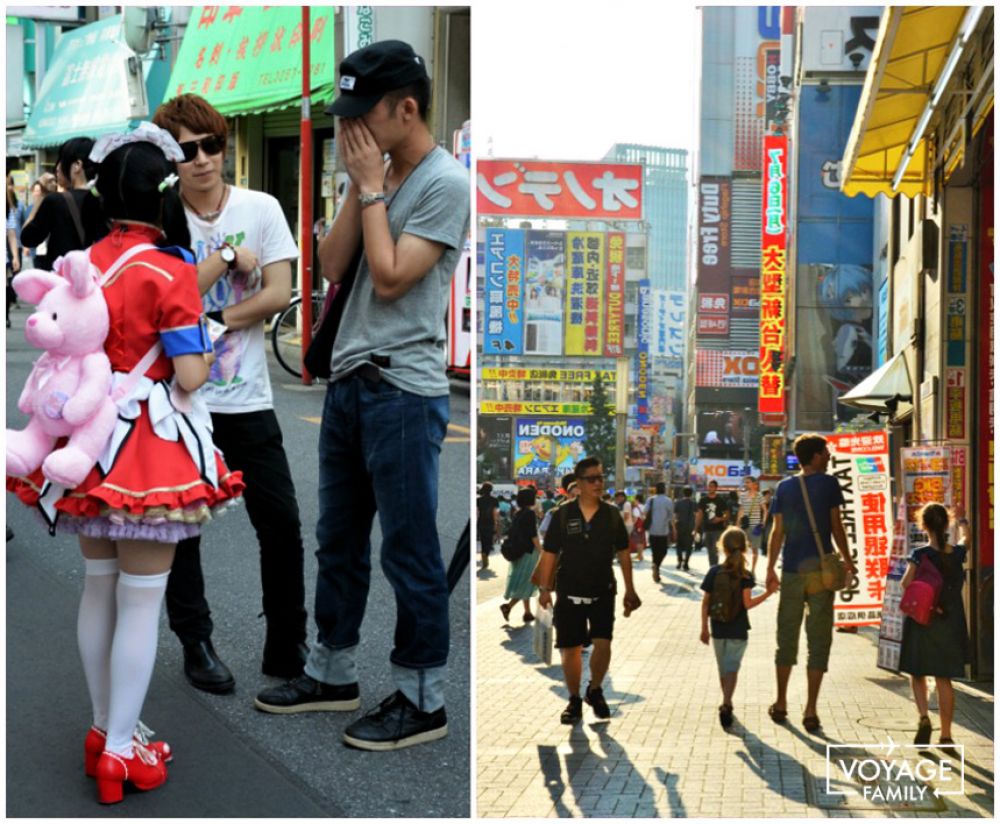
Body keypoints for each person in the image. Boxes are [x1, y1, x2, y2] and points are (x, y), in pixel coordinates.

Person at [6, 125, 244, 803]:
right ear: (161, 192)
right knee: (141, 607)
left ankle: (106, 727)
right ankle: (118, 751)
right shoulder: (169, 269)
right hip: (145, 443)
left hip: (83, 436)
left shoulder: (85, 259)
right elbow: (192, 374)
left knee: (98, 588)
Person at [254, 40, 469, 752]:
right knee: (337, 541)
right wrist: (359, 183)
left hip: (403, 391)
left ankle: (422, 697)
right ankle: (331, 671)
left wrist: (372, 186)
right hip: (350, 384)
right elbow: (335, 263)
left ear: (406, 109)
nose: (353, 127)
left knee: (407, 550)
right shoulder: (370, 170)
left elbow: (388, 276)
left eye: (363, 112)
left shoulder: (445, 183)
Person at [152, 94, 308, 694]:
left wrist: (212, 323)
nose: (201, 160)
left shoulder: (261, 206)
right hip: (180, 403)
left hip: (247, 400)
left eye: (211, 145)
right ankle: (196, 642)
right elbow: (174, 297)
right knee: (181, 527)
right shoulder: (163, 216)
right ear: (172, 159)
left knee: (282, 523)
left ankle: (286, 645)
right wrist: (224, 256)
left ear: (224, 144)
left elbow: (278, 294)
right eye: (186, 151)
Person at [535, 458, 641, 724]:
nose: (598, 483)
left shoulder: (612, 515)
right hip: (569, 591)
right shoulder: (562, 515)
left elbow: (624, 553)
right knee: (570, 649)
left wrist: (630, 590)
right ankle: (574, 700)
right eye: (591, 479)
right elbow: (549, 554)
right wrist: (545, 589)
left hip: (603, 590)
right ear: (579, 484)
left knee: (603, 644)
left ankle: (594, 689)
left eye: (600, 478)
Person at [765, 433, 857, 733]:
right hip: (822, 572)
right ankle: (811, 709)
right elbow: (836, 525)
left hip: (791, 571)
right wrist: (848, 558)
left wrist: (769, 568)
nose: (829, 456)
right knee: (818, 639)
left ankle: (780, 702)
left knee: (786, 636)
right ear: (816, 456)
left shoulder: (784, 487)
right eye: (826, 452)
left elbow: (777, 532)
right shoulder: (829, 484)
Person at [899, 503, 970, 755]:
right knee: (944, 678)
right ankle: (947, 736)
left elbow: (906, 583)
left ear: (924, 525)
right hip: (950, 623)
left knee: (918, 672)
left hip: (923, 621)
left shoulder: (920, 555)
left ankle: (923, 717)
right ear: (945, 524)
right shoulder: (957, 553)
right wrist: (962, 520)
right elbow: (965, 539)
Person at [700, 527, 777, 728]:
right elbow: (748, 604)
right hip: (738, 628)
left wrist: (704, 628)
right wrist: (768, 593)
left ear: (722, 548)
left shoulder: (714, 572)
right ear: (744, 548)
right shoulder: (745, 575)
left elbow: (706, 602)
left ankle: (727, 701)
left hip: (717, 626)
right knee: (732, 667)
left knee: (723, 668)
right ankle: (726, 702)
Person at [20, 139, 107, 271]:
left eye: (62, 160)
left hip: (64, 283)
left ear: (77, 165)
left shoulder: (55, 201)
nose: (57, 168)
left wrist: (39, 200)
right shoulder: (107, 200)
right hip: (96, 280)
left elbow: (28, 239)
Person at [500, 487, 542, 624]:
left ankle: (527, 612)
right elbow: (533, 535)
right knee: (527, 583)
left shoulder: (518, 513)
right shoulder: (530, 514)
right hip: (528, 552)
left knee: (524, 581)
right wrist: (541, 551)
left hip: (518, 552)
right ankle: (508, 606)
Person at [644, 482, 675, 583]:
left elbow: (645, 512)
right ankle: (656, 565)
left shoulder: (650, 499)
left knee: (654, 551)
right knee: (663, 551)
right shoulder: (668, 501)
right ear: (664, 489)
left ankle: (655, 565)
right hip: (663, 531)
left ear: (656, 489)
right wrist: (674, 529)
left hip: (652, 530)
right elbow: (671, 517)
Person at [736, 476, 766, 576]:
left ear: (754, 484)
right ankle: (743, 568)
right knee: (741, 549)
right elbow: (741, 510)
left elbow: (765, 510)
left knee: (754, 549)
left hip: (756, 526)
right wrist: (737, 524)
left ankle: (753, 570)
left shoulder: (759, 496)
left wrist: (763, 522)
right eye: (745, 482)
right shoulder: (742, 496)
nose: (746, 484)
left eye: (748, 482)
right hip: (744, 526)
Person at [696, 480, 729, 566]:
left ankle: (714, 566)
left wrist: (720, 519)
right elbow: (700, 514)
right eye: (709, 486)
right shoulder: (703, 500)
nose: (710, 488)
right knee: (709, 549)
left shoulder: (720, 500)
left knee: (715, 549)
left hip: (718, 528)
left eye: (712, 486)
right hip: (707, 528)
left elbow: (727, 514)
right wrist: (696, 528)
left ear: (716, 488)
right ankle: (712, 566)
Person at [673, 486, 697, 571]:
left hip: (680, 526)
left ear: (683, 493)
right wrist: (695, 528)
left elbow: (675, 516)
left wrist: (674, 528)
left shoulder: (678, 503)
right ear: (691, 494)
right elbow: (696, 516)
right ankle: (686, 563)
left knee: (679, 545)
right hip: (690, 527)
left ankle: (679, 561)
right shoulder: (694, 503)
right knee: (689, 546)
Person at [477, 482, 500, 569]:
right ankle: (485, 554)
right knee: (489, 541)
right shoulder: (494, 500)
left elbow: (477, 513)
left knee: (483, 540)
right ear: (491, 490)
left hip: (481, 522)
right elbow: (494, 513)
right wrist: (496, 523)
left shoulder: (478, 500)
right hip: (490, 522)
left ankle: (484, 555)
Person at [631, 491, 647, 562]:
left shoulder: (636, 508)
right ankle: (640, 555)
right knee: (641, 540)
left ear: (637, 499)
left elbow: (635, 519)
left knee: (638, 541)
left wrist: (632, 525)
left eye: (634, 499)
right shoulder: (644, 506)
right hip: (643, 525)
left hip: (638, 526)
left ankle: (640, 555)